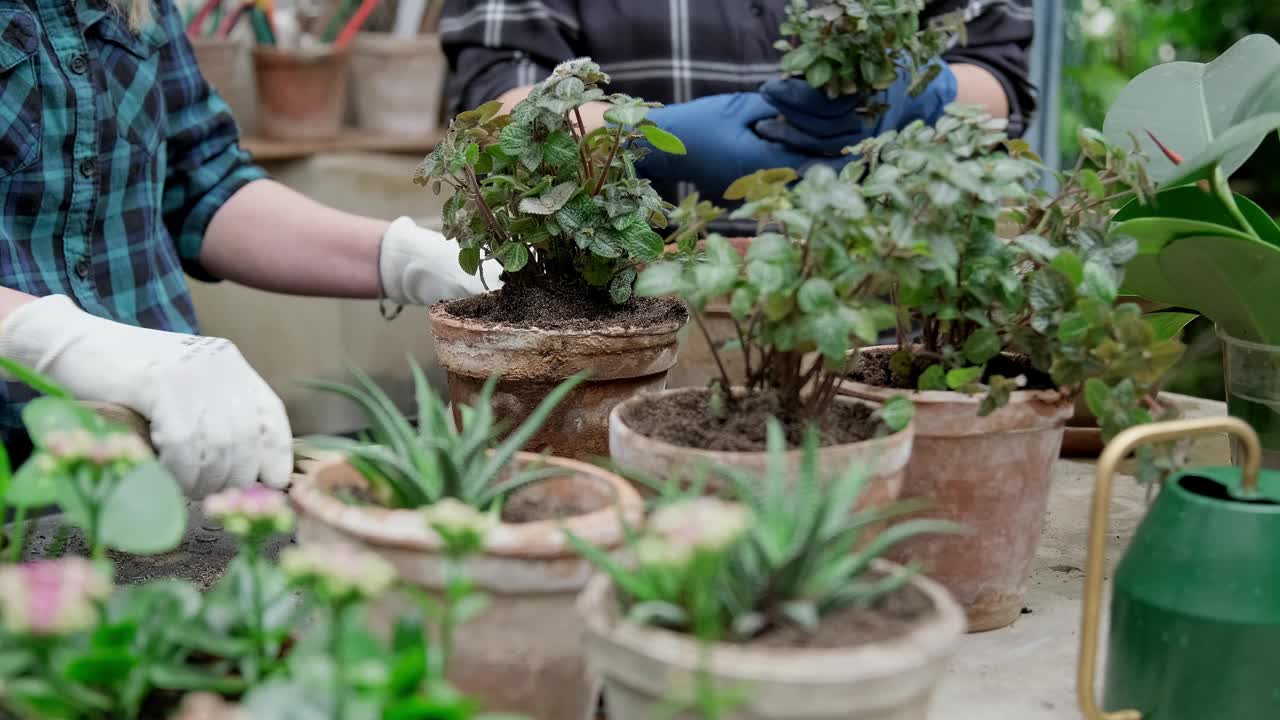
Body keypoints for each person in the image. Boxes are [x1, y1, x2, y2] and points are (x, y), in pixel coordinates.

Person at [0, 0, 499, 498]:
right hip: (17, 476)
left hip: (172, 452)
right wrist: (57, 343)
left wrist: (404, 258)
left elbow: (202, 183)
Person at [441, 0, 1036, 200]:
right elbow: (494, 112)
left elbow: (999, 78)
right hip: (634, 310)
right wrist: (649, 138)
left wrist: (927, 94)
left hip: (889, 312)